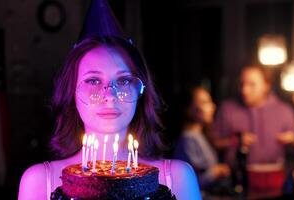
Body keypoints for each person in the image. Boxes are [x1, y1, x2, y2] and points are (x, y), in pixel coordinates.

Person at [18, 0, 201, 199]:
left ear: (140, 92)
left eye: (123, 80)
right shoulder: (40, 181)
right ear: (71, 93)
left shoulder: (177, 177)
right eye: (93, 80)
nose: (109, 96)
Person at [212, 65, 294, 192]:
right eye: (242, 84)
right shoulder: (227, 109)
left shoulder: (284, 110)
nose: (244, 90)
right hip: (236, 181)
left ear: (266, 86)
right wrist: (235, 140)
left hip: (277, 180)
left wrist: (292, 140)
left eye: (252, 84)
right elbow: (213, 144)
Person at [173, 87, 230, 191]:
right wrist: (216, 172)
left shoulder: (199, 135)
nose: (213, 106)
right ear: (189, 109)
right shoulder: (189, 139)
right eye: (204, 102)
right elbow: (190, 183)